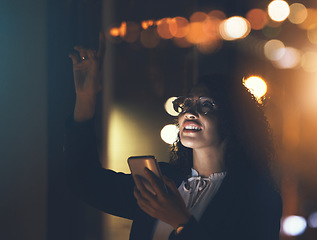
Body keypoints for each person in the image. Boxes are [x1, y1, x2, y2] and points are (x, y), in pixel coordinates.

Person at [64, 34, 282, 240]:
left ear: (235, 118)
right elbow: (84, 181)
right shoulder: (162, 183)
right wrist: (86, 99)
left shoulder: (257, 199)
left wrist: (181, 222)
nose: (189, 112)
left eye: (206, 105)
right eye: (186, 104)